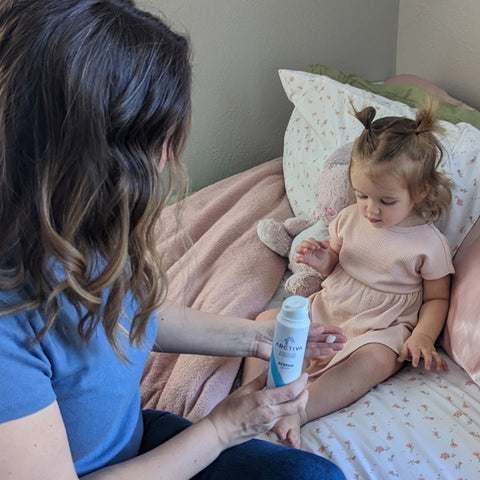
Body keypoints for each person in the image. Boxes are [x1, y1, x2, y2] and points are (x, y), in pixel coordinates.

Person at [0, 1, 349, 479]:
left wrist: (261, 338)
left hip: (133, 443)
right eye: (158, 143)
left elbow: (140, 315)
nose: (167, 160)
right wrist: (223, 428)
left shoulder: (87, 227)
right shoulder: (8, 321)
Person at [243, 101, 455, 449]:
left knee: (376, 359)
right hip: (332, 305)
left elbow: (437, 298)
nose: (371, 209)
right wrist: (323, 258)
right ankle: (253, 393)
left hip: (380, 324)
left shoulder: (430, 244)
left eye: (386, 201)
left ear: (420, 192)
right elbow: (338, 264)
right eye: (362, 196)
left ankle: (301, 410)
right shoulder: (348, 218)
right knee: (269, 320)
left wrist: (423, 337)